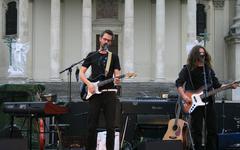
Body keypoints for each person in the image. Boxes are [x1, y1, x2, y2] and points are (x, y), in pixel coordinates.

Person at [175, 45, 238, 150]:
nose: (202, 55)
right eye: (200, 53)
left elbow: (217, 85)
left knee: (212, 129)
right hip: (193, 103)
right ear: (195, 54)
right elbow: (179, 83)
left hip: (209, 102)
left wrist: (230, 86)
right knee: (197, 130)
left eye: (203, 53)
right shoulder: (188, 69)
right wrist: (184, 96)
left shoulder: (208, 69)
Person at [80, 29, 121, 150]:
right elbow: (82, 73)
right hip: (95, 94)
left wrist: (117, 80)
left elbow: (117, 74)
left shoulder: (114, 57)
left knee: (110, 127)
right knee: (91, 126)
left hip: (109, 94)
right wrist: (89, 84)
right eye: (105, 39)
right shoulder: (92, 55)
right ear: (100, 39)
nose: (106, 42)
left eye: (109, 40)